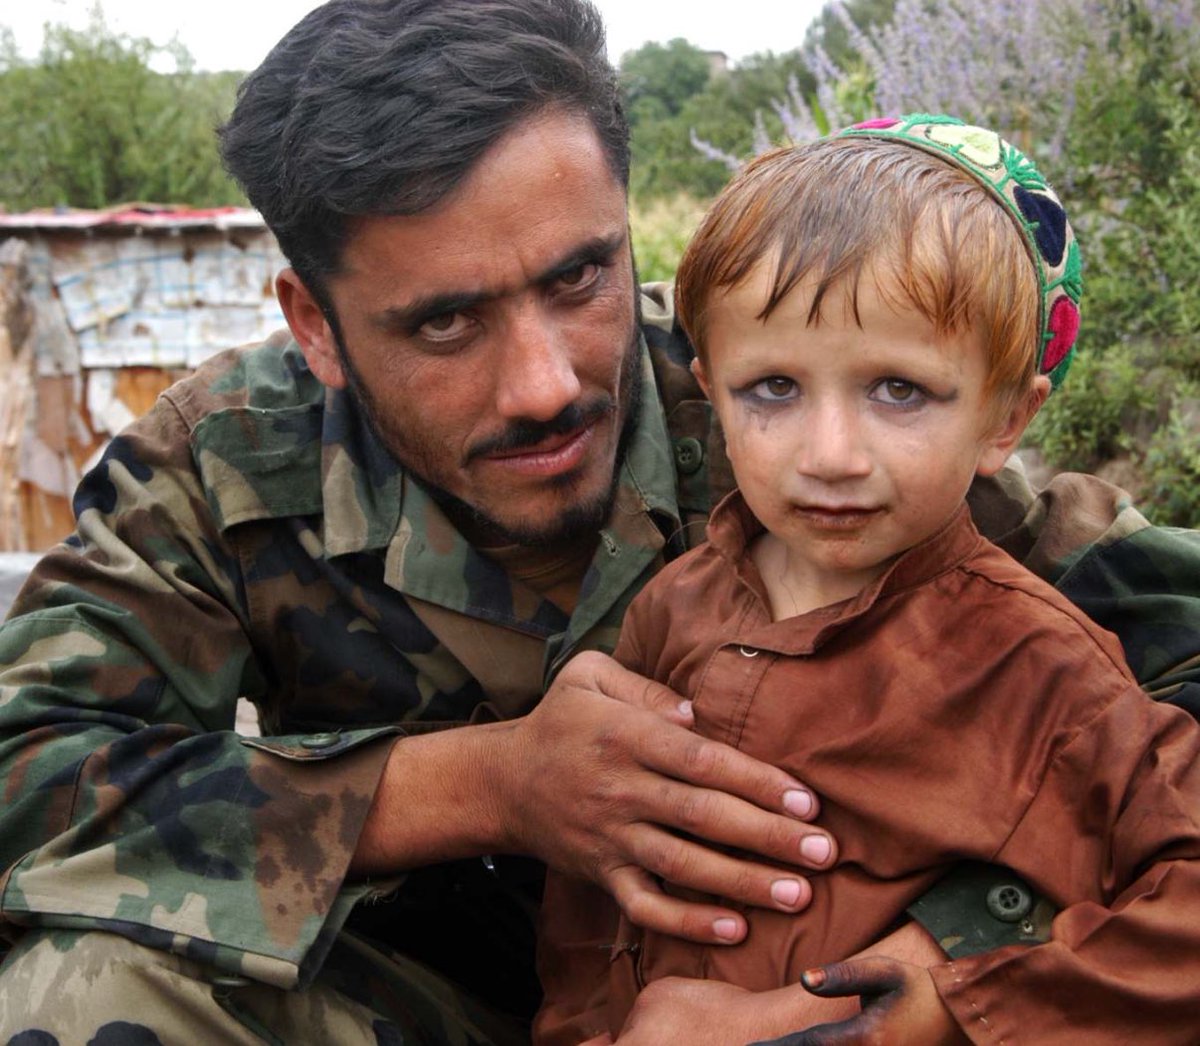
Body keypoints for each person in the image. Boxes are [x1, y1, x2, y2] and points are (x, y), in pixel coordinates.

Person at [0, 0, 1196, 1038]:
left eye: (579, 278)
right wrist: (489, 784)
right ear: (315, 324)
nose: (546, 382)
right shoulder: (220, 466)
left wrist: (918, 981)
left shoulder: (788, 411)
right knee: (79, 990)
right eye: (444, 324)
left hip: (781, 1000)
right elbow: (28, 777)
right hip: (406, 1002)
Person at [533, 114, 1200, 1046]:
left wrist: (943, 1013)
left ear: (1006, 420)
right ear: (710, 388)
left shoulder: (1046, 666)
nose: (831, 455)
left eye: (900, 390)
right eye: (773, 388)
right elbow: (592, 895)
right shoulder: (670, 610)